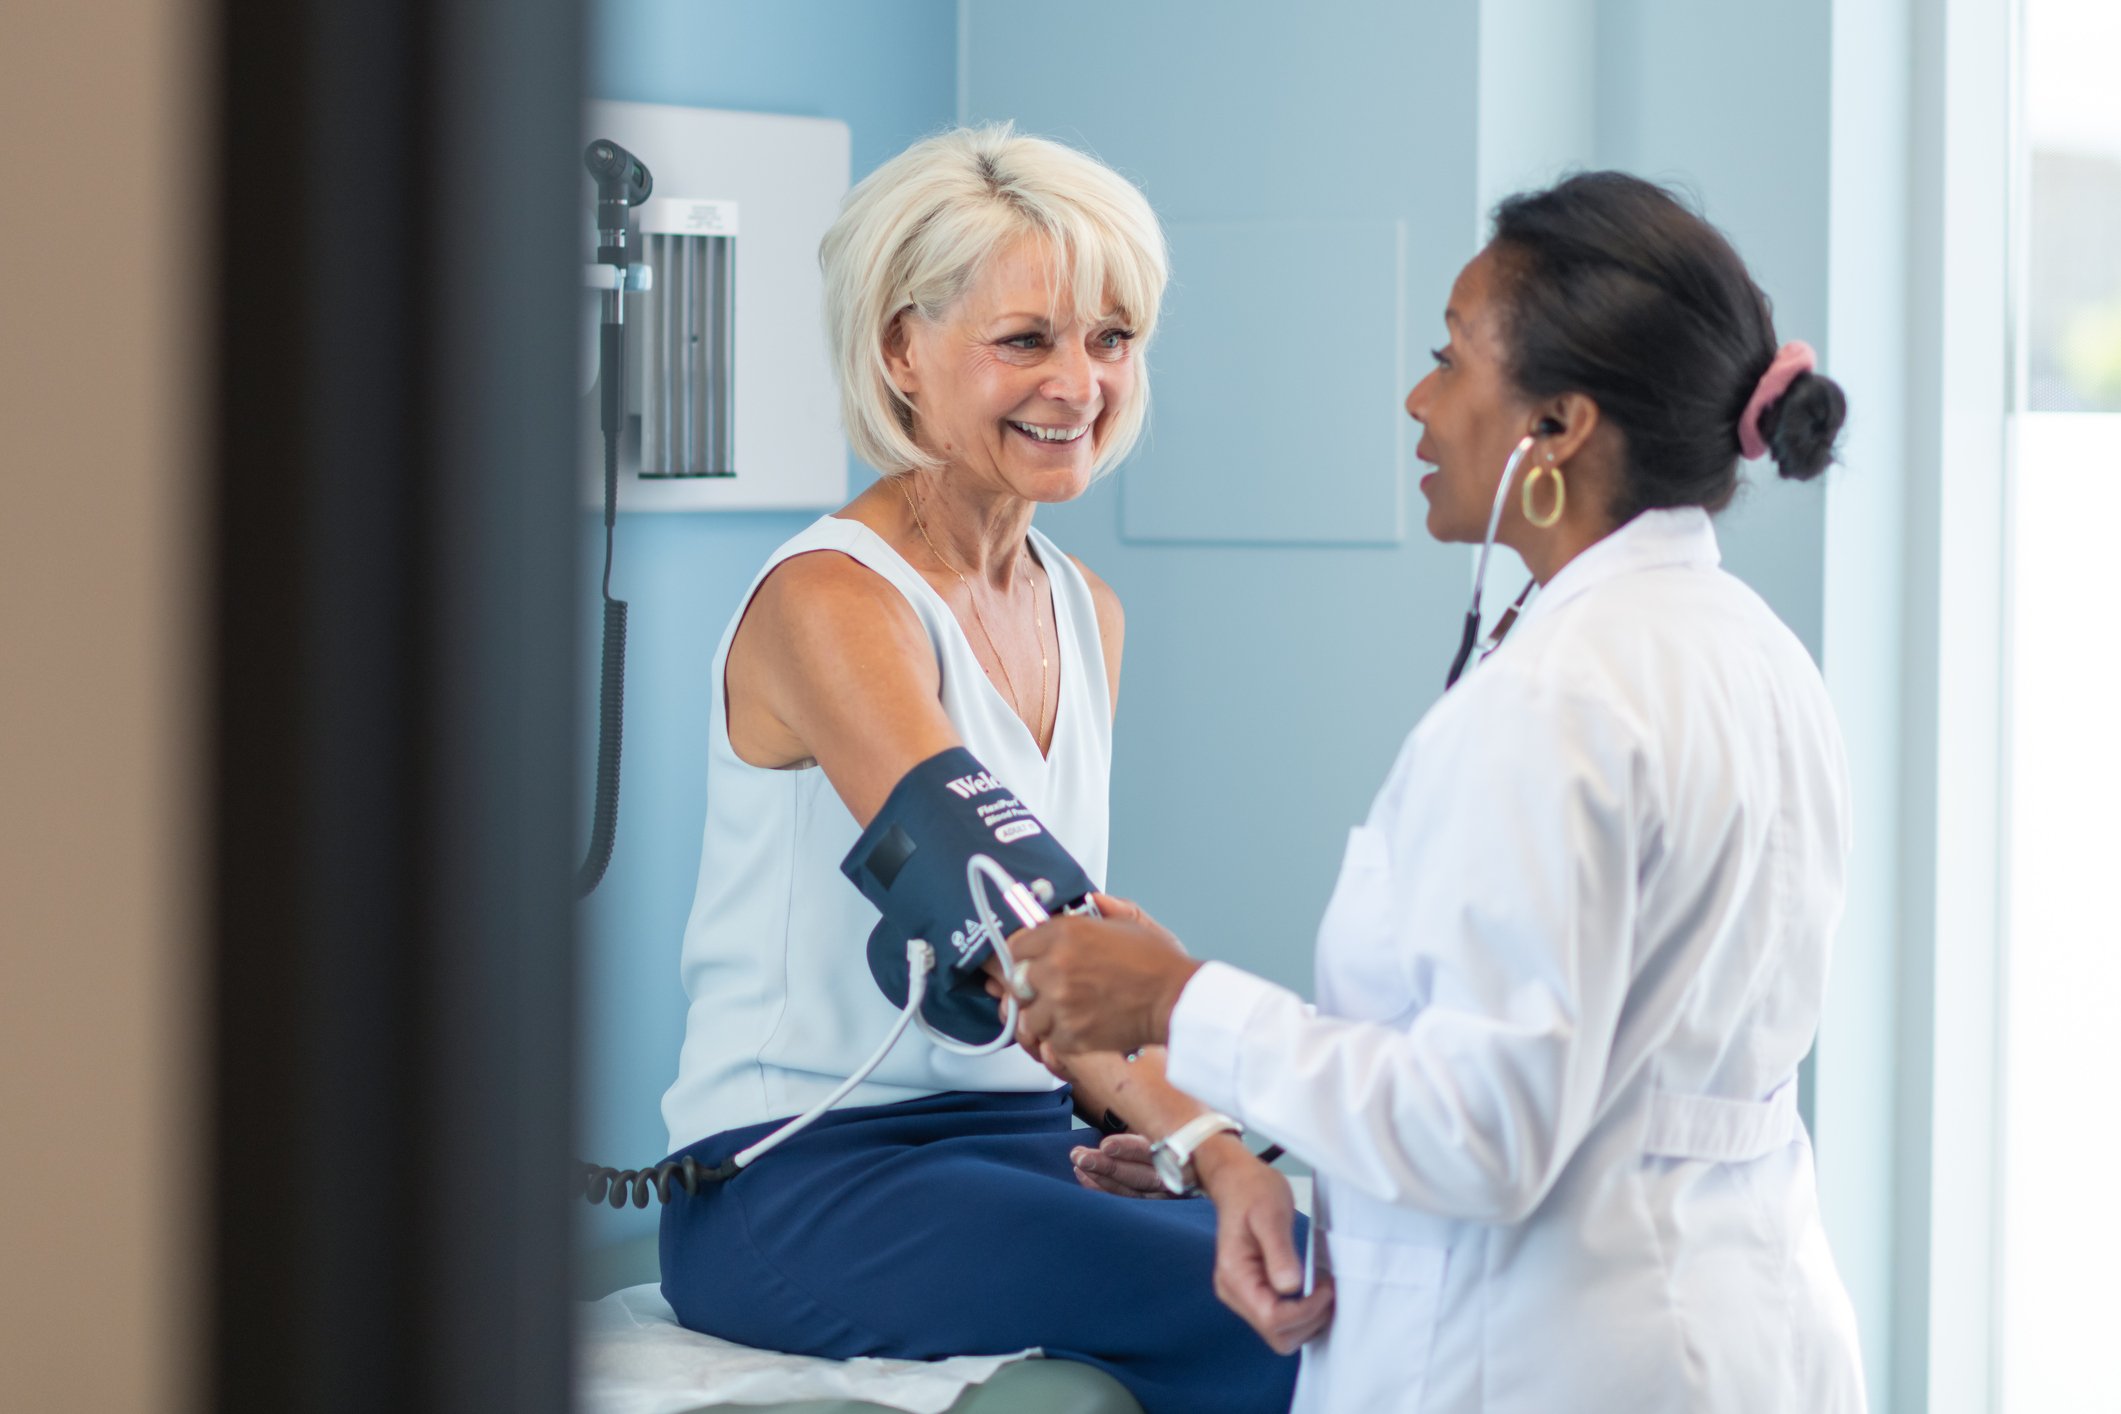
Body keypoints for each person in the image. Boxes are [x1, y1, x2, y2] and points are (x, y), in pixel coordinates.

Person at [1006, 172, 1870, 1412]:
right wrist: (1239, 1146)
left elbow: (1485, 1129)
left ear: (1558, 426)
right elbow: (1589, 1058)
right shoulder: (1752, 651)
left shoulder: (1557, 700)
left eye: (1450, 359)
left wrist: (1178, 999)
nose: (1419, 401)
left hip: (1548, 1354)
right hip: (1744, 1324)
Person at [654, 124, 1301, 1414]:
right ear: (902, 349)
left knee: (1354, 1270)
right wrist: (1217, 1148)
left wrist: (1172, 1136)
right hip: (803, 1178)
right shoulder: (834, 604)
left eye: (1111, 339)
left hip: (1024, 1144)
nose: (1080, 382)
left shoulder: (1087, 609)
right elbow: (1015, 924)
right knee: (1264, 1312)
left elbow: (1081, 972)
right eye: (1026, 340)